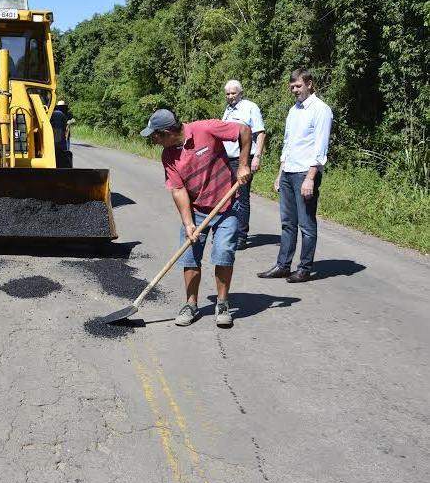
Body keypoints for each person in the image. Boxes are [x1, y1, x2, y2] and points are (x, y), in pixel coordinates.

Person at [141, 109, 251, 328]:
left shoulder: (205, 129)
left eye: (154, 135)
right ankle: (191, 304)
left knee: (223, 253)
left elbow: (244, 130)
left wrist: (243, 164)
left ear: (167, 133)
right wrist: (188, 223)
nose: (152, 139)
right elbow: (178, 189)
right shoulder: (168, 155)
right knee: (190, 257)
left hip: (226, 204)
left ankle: (222, 303)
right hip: (196, 209)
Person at [258, 68, 333, 283]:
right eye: (292, 86)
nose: (294, 90)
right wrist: (280, 173)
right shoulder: (293, 110)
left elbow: (321, 147)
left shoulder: (321, 110)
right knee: (287, 222)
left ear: (309, 84)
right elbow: (287, 144)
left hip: (305, 174)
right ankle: (283, 265)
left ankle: (304, 268)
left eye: (298, 86)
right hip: (288, 172)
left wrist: (310, 177)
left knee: (306, 224)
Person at [220, 80, 266, 249]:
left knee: (242, 197)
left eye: (233, 93)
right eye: (228, 94)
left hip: (243, 159)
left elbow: (260, 133)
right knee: (229, 198)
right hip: (228, 159)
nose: (230, 96)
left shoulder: (250, 107)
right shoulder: (228, 110)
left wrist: (257, 158)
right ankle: (230, 233)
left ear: (240, 93)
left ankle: (241, 236)